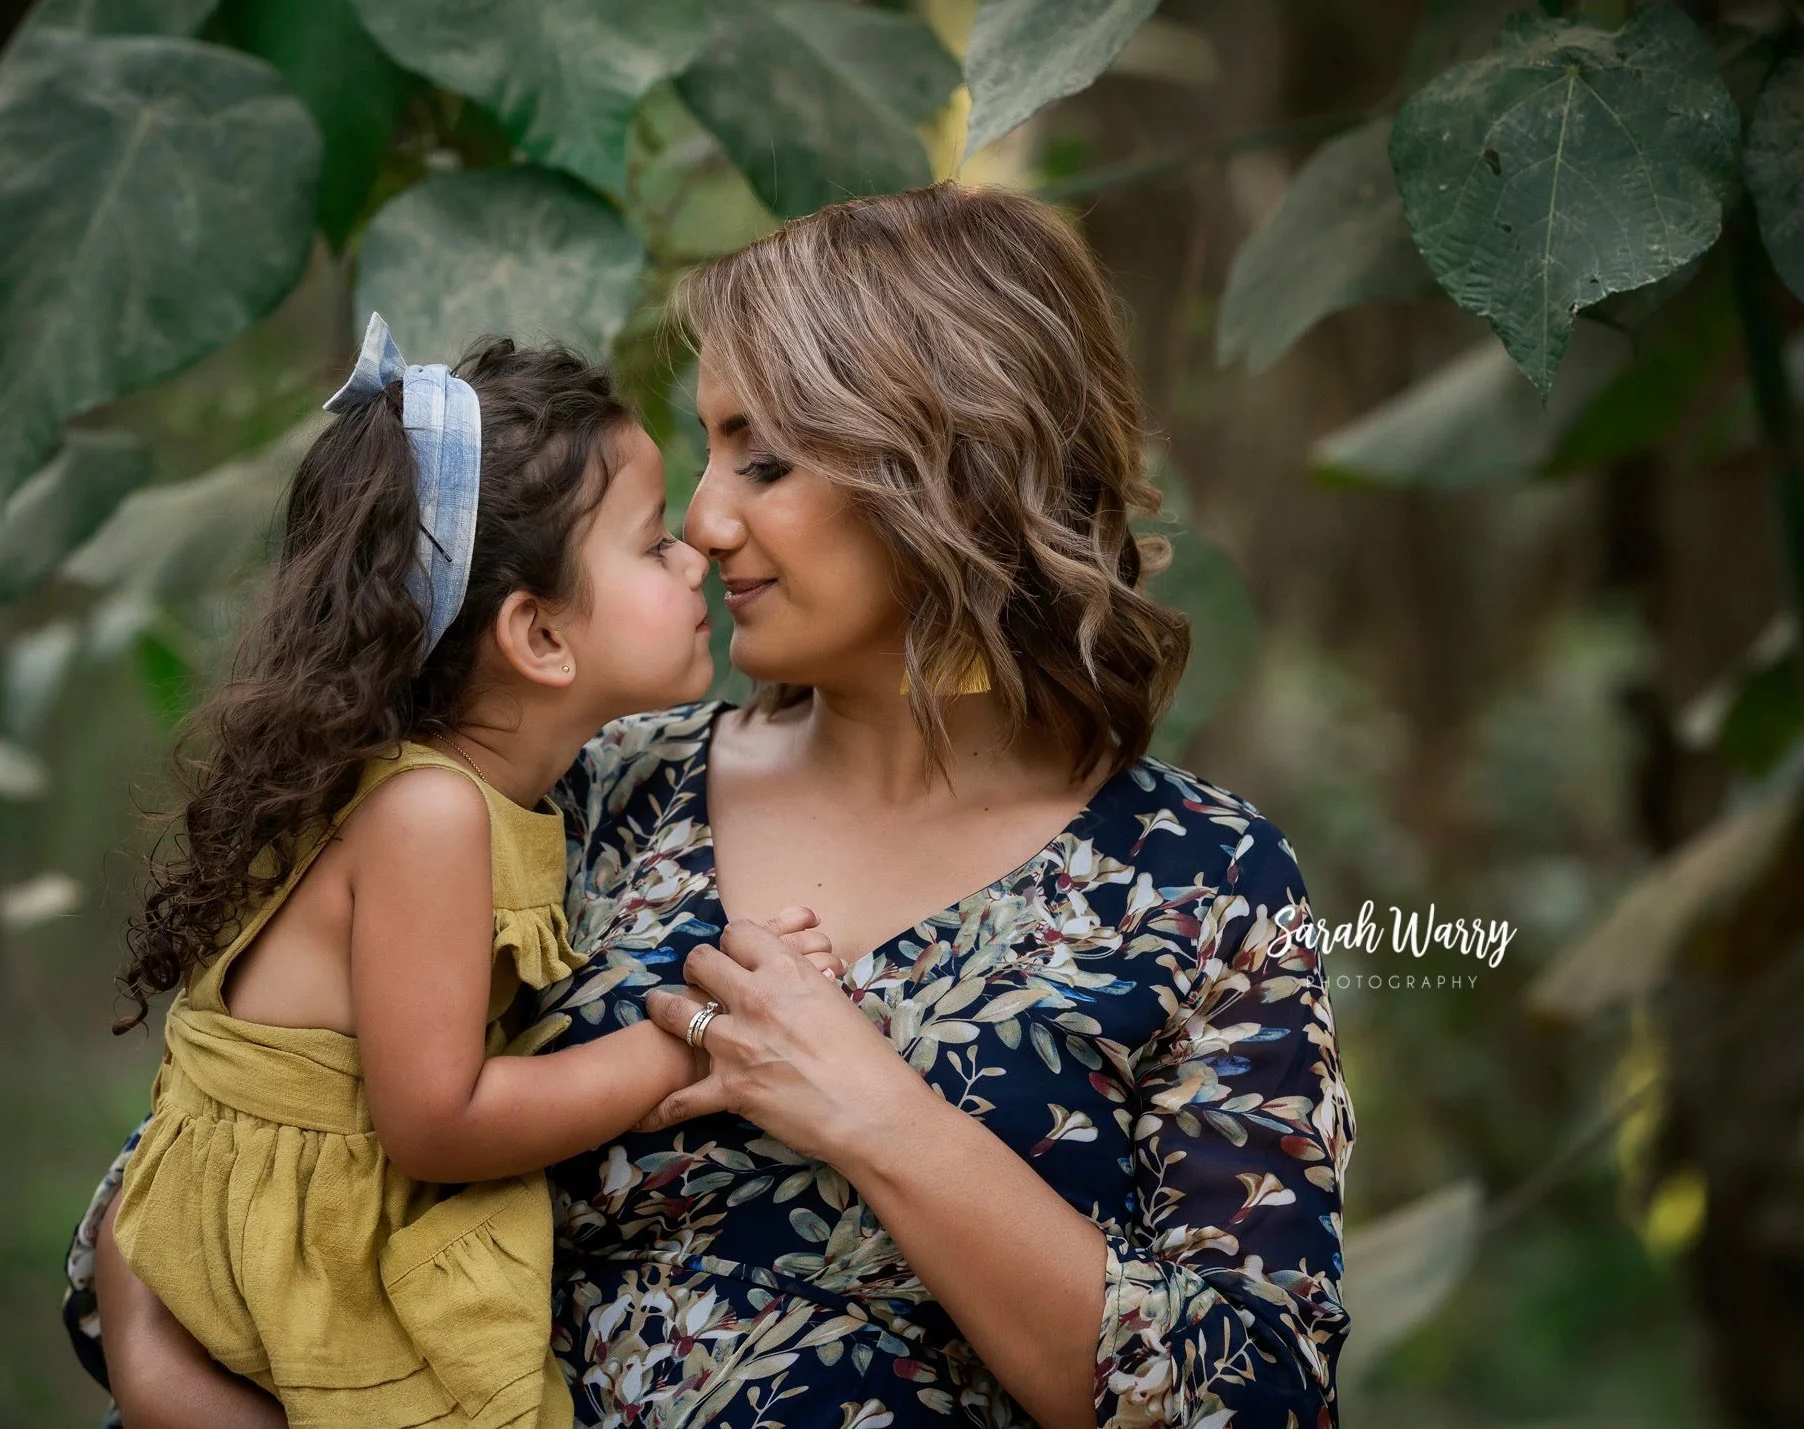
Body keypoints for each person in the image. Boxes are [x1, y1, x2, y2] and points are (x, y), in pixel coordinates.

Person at [68, 182, 1356, 1428]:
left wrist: (873, 1110)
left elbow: (1254, 1399)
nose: (704, 518)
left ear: (953, 474)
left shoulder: (1203, 883)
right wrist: (145, 1340)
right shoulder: (580, 788)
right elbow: (228, 1155)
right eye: (706, 450)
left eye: (765, 458)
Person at [93, 315, 837, 1428]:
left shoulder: (473, 786)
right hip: (303, 1259)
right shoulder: (430, 812)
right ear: (536, 638)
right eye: (647, 545)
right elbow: (438, 1119)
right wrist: (684, 1037)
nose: (697, 546)